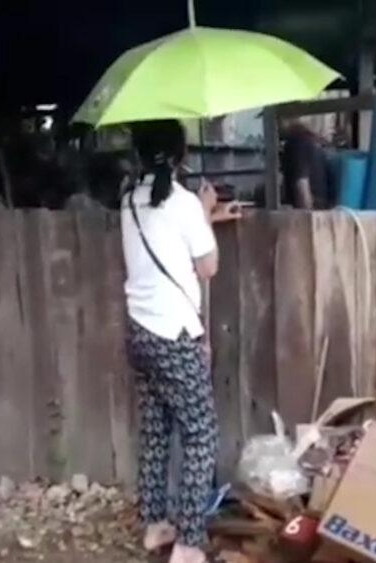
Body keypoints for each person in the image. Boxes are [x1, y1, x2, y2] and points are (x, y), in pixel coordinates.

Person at [121, 119, 241, 563]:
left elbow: (165, 238)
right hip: (174, 335)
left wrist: (204, 216)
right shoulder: (184, 202)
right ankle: (189, 543)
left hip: (140, 333)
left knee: (155, 430)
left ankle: (155, 526)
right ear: (180, 155)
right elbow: (208, 266)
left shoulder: (129, 201)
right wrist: (204, 210)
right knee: (200, 434)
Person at [280, 117, 332, 209]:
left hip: (312, 211)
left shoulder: (299, 142)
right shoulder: (306, 142)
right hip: (317, 210)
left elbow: (301, 184)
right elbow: (302, 184)